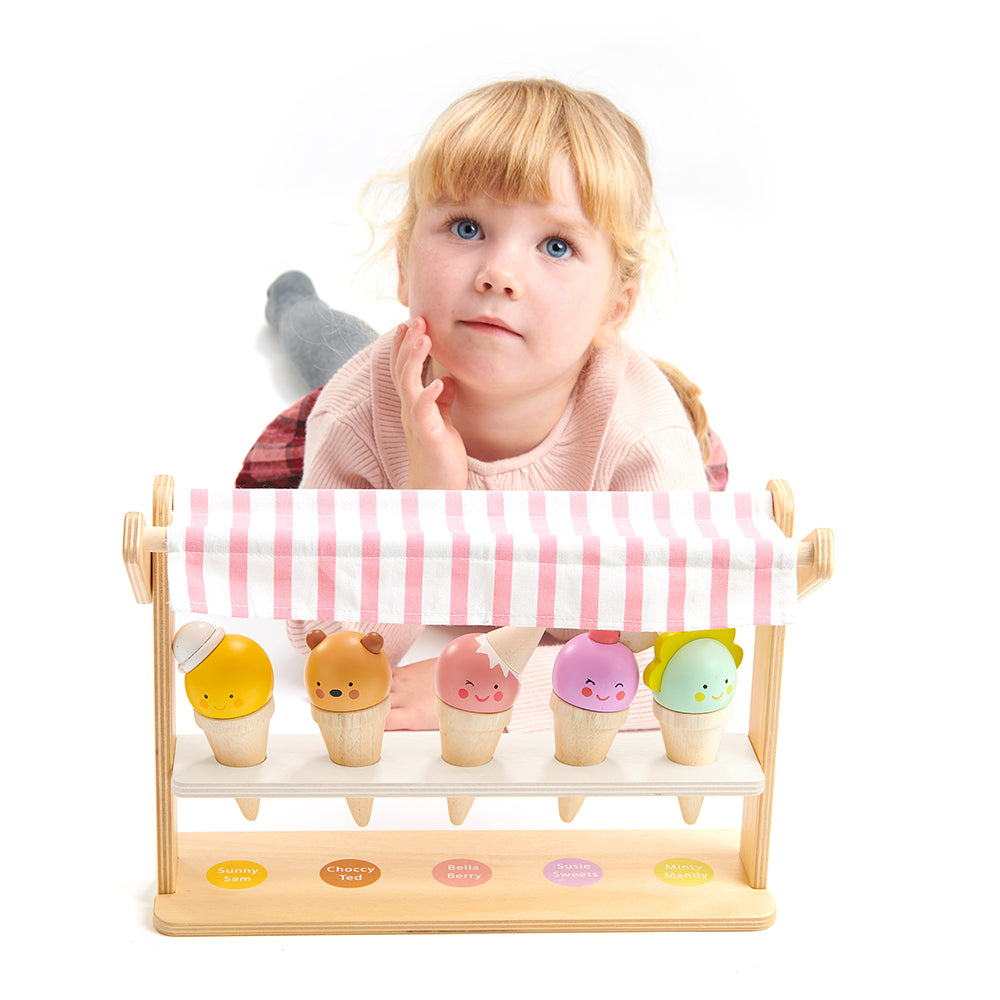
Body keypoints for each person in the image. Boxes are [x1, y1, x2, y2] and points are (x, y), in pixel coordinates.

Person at [267, 78, 714, 732]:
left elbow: (690, 666)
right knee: (325, 345)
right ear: (401, 262)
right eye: (467, 227)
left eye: (556, 245)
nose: (499, 274)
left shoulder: (642, 446)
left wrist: (487, 686)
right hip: (391, 393)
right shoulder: (355, 412)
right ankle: (292, 302)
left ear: (616, 304)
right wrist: (425, 504)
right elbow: (318, 631)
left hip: (632, 430)